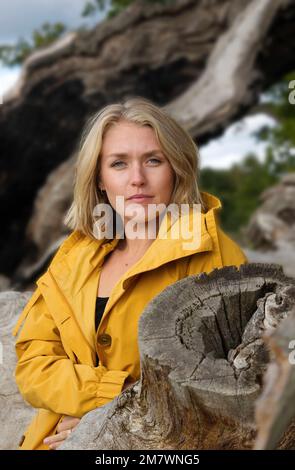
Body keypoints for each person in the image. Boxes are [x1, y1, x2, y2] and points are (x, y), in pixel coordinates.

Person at [12, 96, 247, 450]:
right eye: (119, 163)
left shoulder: (215, 256)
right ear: (100, 179)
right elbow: (34, 363)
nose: (137, 179)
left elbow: (236, 380)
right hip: (56, 437)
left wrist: (114, 417)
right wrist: (105, 401)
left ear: (176, 170)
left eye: (153, 160)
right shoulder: (77, 254)